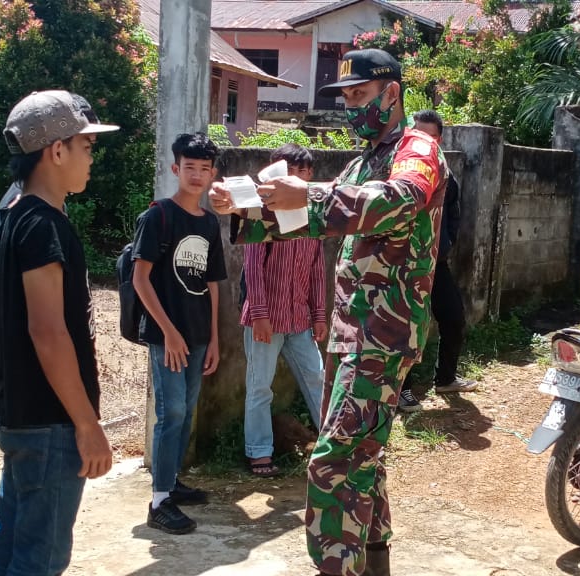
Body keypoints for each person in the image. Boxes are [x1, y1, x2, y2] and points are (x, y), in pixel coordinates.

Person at [211, 48, 446, 576]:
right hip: (352, 331)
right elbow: (307, 222)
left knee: (333, 463)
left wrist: (311, 193)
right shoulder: (365, 160)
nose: (352, 108)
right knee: (363, 455)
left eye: (360, 95)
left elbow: (398, 199)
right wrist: (248, 206)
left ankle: (336, 567)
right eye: (347, 98)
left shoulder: (417, 149)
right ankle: (376, 561)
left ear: (392, 93)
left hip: (383, 334)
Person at [0, 90, 118, 575]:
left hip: (20, 413)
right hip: (50, 422)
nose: (91, 160)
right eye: (86, 147)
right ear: (56, 151)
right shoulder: (43, 226)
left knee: (10, 541)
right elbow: (49, 332)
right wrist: (86, 424)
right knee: (40, 559)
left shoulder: (13, 213)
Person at [132, 132, 227, 535]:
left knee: (186, 412)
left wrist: (215, 339)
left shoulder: (209, 222)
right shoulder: (158, 216)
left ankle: (171, 484)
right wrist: (168, 333)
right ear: (176, 169)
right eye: (190, 167)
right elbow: (141, 279)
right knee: (170, 413)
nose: (197, 174)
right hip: (167, 336)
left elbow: (214, 284)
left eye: (205, 169)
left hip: (198, 335)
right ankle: (159, 501)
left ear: (212, 175)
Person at [240, 144, 328, 477]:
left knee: (317, 376)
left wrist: (319, 315)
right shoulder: (260, 213)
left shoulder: (313, 216)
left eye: (306, 172)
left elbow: (318, 268)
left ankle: (334, 442)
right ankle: (259, 453)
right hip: (265, 319)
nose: (301, 177)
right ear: (278, 172)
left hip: (300, 319)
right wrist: (260, 314)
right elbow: (252, 267)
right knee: (260, 386)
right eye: (294, 170)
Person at [399, 110, 475, 414]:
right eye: (416, 135)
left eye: (428, 136)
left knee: (454, 318)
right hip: (405, 266)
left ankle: (445, 378)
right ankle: (400, 391)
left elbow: (454, 214)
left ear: (439, 140)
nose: (422, 142)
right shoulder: (402, 171)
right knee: (405, 329)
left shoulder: (447, 176)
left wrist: (447, 243)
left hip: (436, 262)